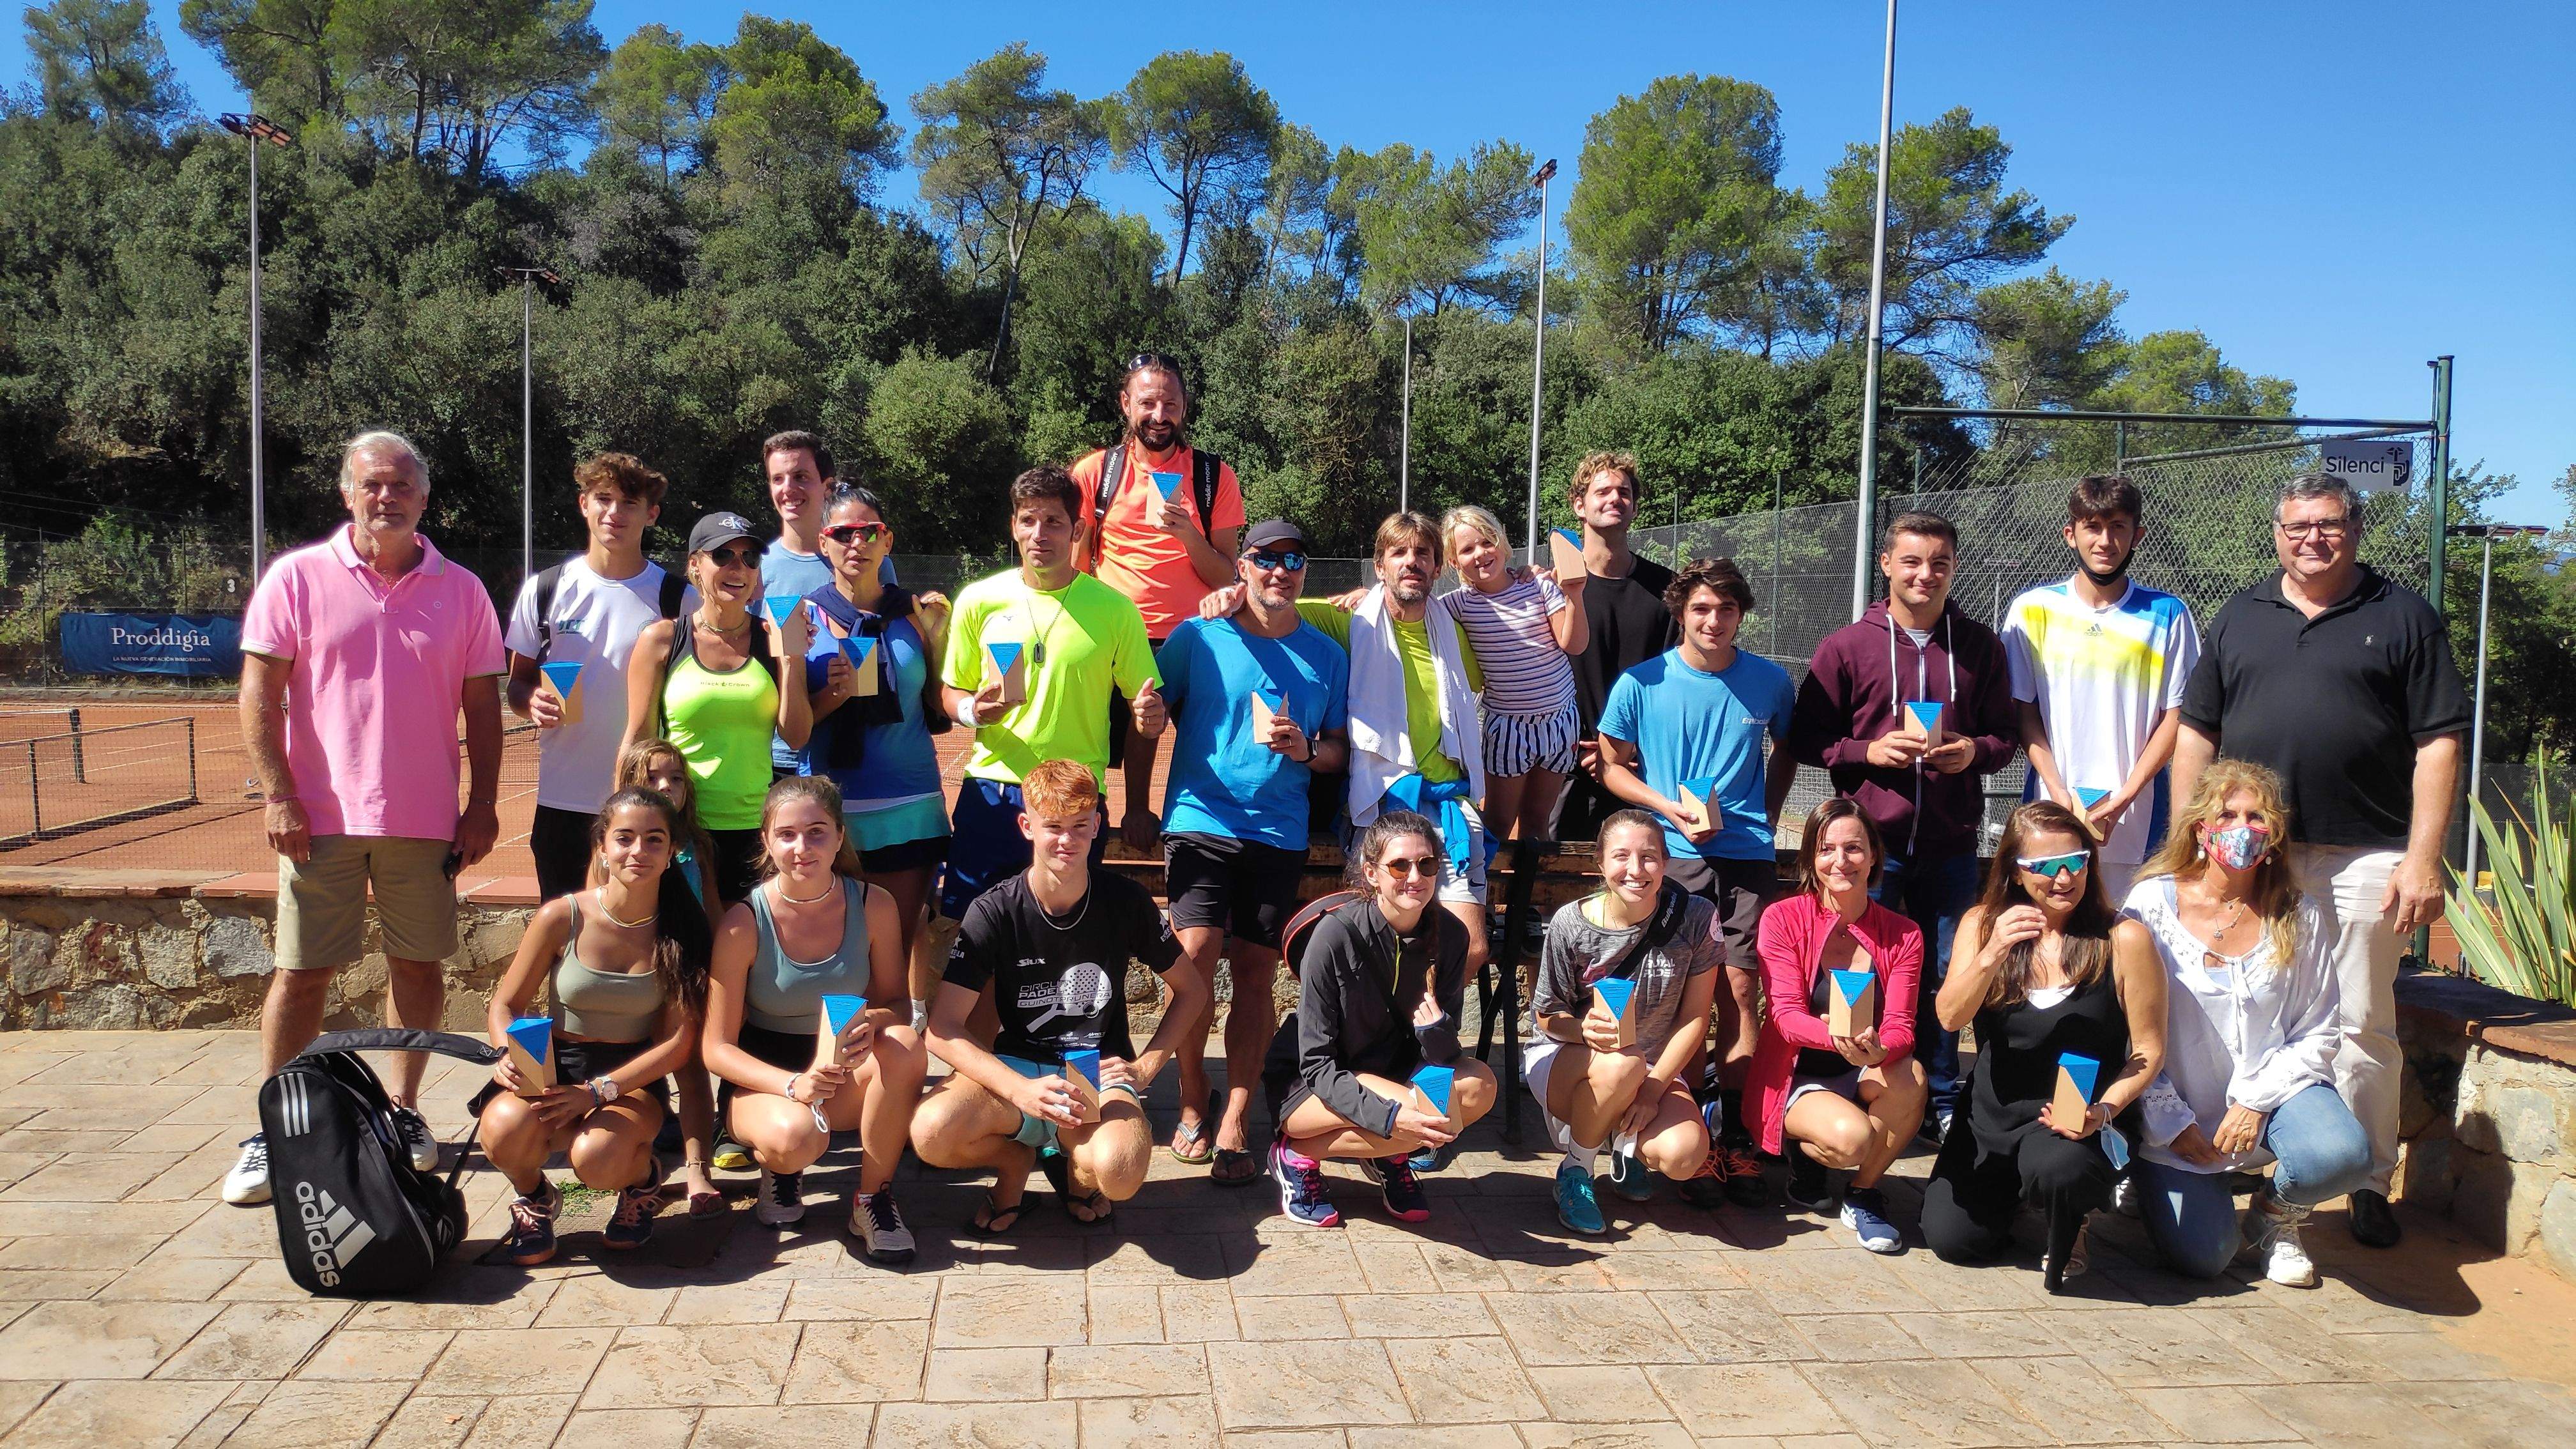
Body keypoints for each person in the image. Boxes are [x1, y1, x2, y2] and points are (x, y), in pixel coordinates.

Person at [2172, 471, 2467, 1250]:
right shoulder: (2242, 614)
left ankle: (2365, 1178)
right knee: (2245, 1007)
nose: (2314, 538)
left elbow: (2439, 741)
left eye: (2329, 524)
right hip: (2253, 854)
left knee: (2364, 1018)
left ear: (2355, 530)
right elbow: (2197, 732)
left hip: (2368, 855)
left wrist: (2423, 858)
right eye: (2299, 525)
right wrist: (2184, 839)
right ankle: (2244, 1156)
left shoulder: (2404, 616)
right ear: (2277, 531)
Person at [223, 431, 505, 1209]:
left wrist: (481, 805)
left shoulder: (464, 590)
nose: (388, 497)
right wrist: (278, 793)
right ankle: (277, 1128)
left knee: (417, 968)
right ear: (347, 495)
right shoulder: (297, 578)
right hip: (319, 819)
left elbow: (483, 706)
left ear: (424, 497)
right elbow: (259, 695)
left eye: (402, 486)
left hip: (424, 821)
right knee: (303, 973)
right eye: (372, 485)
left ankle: (405, 1111)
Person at [1788, 510, 2017, 1144]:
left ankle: (1941, 1097)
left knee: (1949, 971)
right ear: (1886, 564)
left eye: (1939, 562)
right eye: (1912, 561)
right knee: (1864, 972)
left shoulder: (1979, 647)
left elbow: (2006, 736)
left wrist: (1974, 752)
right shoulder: (1847, 646)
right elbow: (1809, 737)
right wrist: (1868, 753)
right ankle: (1850, 1087)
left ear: (1954, 569)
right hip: (1868, 850)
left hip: (1948, 845)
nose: (1926, 574)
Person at [912, 760, 1207, 1231]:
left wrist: (1146, 1067)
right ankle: (1014, 1164)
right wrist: (1020, 1090)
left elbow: (1192, 991)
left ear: (1097, 825)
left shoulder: (1125, 901)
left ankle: (1076, 1174)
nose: (1066, 841)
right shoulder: (994, 910)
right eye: (1053, 827)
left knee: (1121, 1172)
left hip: (1092, 1067)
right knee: (931, 1133)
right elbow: (942, 1030)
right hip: (1018, 1068)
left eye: (1078, 826)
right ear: (1028, 827)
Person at [2122, 758, 2371, 1286]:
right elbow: (2125, 1030)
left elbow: (2319, 1028)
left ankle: (2276, 1216)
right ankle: (2143, 1180)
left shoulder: (2296, 914)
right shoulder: (2150, 904)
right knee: (2206, 1259)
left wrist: (2256, 1101)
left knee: (2341, 1156)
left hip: (2270, 1100)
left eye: (2256, 817)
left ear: (2276, 833)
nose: (2242, 829)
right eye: (2227, 814)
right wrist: (2170, 1121)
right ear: (2199, 827)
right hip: (2177, 1115)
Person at [1597, 556, 1797, 1204]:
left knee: (1740, 989)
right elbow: (1612, 768)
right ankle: (1662, 1120)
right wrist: (1666, 809)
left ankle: (1733, 1132)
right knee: (1673, 991)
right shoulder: (1641, 683)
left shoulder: (1770, 683)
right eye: (1702, 609)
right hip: (1672, 854)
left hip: (1745, 857)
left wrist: (1761, 818)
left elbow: (1788, 752)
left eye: (1728, 609)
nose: (1714, 620)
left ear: (1742, 615)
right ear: (1681, 612)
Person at [1153, 519, 1349, 1184]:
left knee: (1258, 975)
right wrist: (1130, 805)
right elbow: (1150, 712)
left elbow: (1339, 750)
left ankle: (1236, 1114)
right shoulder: (1198, 636)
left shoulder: (1327, 656)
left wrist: (1306, 751)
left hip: (1277, 829)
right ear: (1243, 567)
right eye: (1266, 560)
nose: (1279, 571)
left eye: (1293, 561)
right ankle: (1189, 1099)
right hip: (1199, 816)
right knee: (1194, 960)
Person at [1924, 802, 2166, 1292]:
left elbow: (2149, 1050)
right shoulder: (1982, 923)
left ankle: (2071, 1216)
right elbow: (1950, 1016)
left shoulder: (2122, 938)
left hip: (2073, 1119)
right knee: (1955, 1242)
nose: (2063, 878)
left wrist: (2104, 1110)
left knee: (2060, 1171)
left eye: (2075, 861)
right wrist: (1993, 952)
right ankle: (2019, 1195)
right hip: (1993, 1116)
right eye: (2044, 867)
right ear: (2015, 873)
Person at [478, 788, 712, 1264]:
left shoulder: (684, 927)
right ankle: (536, 1198)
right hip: (551, 1066)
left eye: (653, 840)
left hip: (628, 1081)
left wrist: (597, 1092)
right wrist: (505, 1052)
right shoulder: (561, 917)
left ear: (672, 852)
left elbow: (676, 1045)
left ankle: (641, 1182)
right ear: (603, 846)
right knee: (501, 1128)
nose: (637, 852)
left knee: (597, 1161)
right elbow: (505, 1004)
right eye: (624, 838)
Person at [700, 777, 923, 1262]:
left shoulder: (875, 905)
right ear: (766, 841)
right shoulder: (743, 922)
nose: (802, 848)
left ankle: (872, 1199)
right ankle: (780, 1171)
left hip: (841, 1076)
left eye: (817, 832)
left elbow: (899, 1003)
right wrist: (791, 1086)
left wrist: (872, 1021)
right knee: (796, 1139)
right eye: (787, 834)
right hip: (764, 1087)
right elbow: (715, 1048)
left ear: (840, 837)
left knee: (905, 1043)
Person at [937, 466, 1165, 935]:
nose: (1039, 534)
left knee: (1064, 939)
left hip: (1075, 802)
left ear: (1077, 530)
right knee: (973, 940)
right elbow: (950, 691)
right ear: (1014, 526)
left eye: (1054, 522)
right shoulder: (979, 600)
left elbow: (1145, 708)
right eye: (1028, 520)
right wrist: (972, 711)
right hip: (993, 791)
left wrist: (1151, 718)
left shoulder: (1116, 610)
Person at [1262, 811, 1498, 1227]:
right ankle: (1298, 1154)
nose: (1415, 876)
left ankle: (1391, 1152)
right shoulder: (1334, 935)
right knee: (1420, 1113)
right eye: (1399, 865)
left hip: (1393, 1072)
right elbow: (1317, 1064)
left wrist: (1435, 1034)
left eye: (1426, 864)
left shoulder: (1452, 935)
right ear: (1372, 873)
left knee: (1478, 1086)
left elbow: (1445, 1055)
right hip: (1311, 1084)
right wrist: (1393, 1119)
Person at [1287, 514, 1492, 990]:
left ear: (1438, 566)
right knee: (1376, 949)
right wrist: (1233, 592)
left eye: (1422, 553)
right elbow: (1279, 608)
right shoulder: (1347, 622)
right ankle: (1390, 1051)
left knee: (1472, 947)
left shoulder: (1454, 633)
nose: (1411, 562)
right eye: (1399, 553)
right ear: (1379, 566)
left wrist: (1533, 578)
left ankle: (1425, 1040)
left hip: (1449, 808)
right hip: (1380, 806)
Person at [1069, 354, 1246, 850]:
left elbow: (1227, 573)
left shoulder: (1213, 476)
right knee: (1102, 743)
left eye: (1170, 403)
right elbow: (1077, 563)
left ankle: (1207, 836)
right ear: (1127, 404)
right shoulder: (1095, 472)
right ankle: (1121, 817)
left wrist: (1190, 534)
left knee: (1212, 745)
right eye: (1148, 402)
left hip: (1198, 636)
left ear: (1185, 406)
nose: (1159, 414)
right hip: (1113, 634)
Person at [2004, 475, 2201, 905]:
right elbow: (2024, 711)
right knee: (2050, 935)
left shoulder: (2169, 614)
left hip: (2140, 817)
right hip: (2052, 806)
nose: (2105, 540)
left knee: (2133, 939)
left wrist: (2126, 795)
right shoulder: (2031, 610)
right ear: (2070, 534)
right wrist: (2058, 793)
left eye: (2118, 526)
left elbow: (2178, 715)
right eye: (2093, 526)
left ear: (2138, 535)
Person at [1744, 798, 1927, 1254]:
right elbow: (1785, 1018)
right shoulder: (1783, 918)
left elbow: (1902, 1024)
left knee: (1914, 1078)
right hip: (1799, 1073)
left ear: (1875, 857)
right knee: (1851, 1140)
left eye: (1854, 848)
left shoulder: (1904, 933)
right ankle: (1806, 1161)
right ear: (1810, 858)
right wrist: (1837, 1038)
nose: (1840, 861)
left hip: (1865, 1067)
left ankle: (1864, 1195)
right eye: (1826, 849)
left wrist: (1880, 1051)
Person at [1527, 811, 1723, 1235]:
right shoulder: (1571, 922)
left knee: (1684, 1156)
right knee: (1622, 1063)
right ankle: (1576, 1171)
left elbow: (1694, 1019)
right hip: (1569, 1059)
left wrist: (1653, 1090)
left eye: (1649, 857)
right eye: (1621, 856)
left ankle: (1625, 1146)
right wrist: (1582, 1030)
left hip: (1649, 1068)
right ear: (1599, 863)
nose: (1636, 870)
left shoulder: (1697, 917)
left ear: (1667, 863)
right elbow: (1546, 1014)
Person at [799, 482, 953, 1020]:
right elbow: (791, 727)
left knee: (901, 939)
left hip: (910, 802)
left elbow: (936, 701)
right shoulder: (802, 618)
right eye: (843, 533)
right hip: (835, 807)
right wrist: (831, 693)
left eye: (869, 532)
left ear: (886, 541)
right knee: (839, 942)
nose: (856, 543)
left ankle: (899, 1052)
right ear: (824, 543)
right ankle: (838, 1061)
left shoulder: (915, 613)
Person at [503, 452, 678, 901]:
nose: (614, 513)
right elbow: (518, 682)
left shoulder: (678, 597)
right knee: (566, 943)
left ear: (651, 514)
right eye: (604, 499)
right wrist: (530, 701)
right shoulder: (546, 589)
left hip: (647, 804)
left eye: (629, 502)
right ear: (584, 504)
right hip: (565, 802)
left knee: (647, 941)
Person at [621, 513, 815, 907]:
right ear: (695, 565)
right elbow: (638, 738)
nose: (737, 568)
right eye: (723, 555)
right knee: (687, 951)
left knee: (748, 954)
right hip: (683, 828)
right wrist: (621, 824)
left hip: (757, 830)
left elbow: (796, 736)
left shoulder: (770, 637)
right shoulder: (662, 639)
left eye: (749, 559)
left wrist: (791, 658)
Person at [606, 740, 730, 1211]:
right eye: (653, 778)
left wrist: (723, 965)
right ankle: (635, 1168)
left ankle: (698, 1169)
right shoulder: (613, 851)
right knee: (637, 1068)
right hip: (636, 974)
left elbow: (714, 909)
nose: (666, 787)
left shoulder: (696, 845)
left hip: (687, 965)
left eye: (676, 778)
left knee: (691, 1068)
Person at [1438, 504, 1584, 845]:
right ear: (1453, 562)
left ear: (1503, 543)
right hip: (1508, 728)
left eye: (1487, 542)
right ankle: (1483, 893)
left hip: (1559, 723)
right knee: (1499, 823)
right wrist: (1370, 594)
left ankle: (1527, 898)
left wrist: (1574, 593)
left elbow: (1573, 644)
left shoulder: (1539, 587)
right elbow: (1411, 609)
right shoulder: (1457, 604)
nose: (1480, 554)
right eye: (1467, 549)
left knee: (1538, 823)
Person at [1556, 452, 1680, 843]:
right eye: (1602, 491)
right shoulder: (1550, 586)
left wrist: (1628, 751)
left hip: (1641, 771)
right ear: (1580, 505)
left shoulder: (1669, 591)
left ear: (1635, 507)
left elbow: (1680, 683)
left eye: (1624, 492)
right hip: (1562, 769)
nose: (1614, 499)